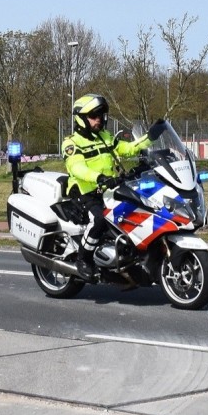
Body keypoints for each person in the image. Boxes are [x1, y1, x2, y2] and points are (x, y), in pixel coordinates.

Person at [62, 94, 166, 280]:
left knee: (136, 210)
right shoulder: (72, 143)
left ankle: (130, 258)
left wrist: (150, 137)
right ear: (81, 118)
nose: (99, 120)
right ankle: (83, 259)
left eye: (101, 115)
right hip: (85, 192)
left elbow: (128, 148)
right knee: (99, 220)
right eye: (94, 116)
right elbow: (77, 168)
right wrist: (99, 177)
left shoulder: (105, 137)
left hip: (108, 190)